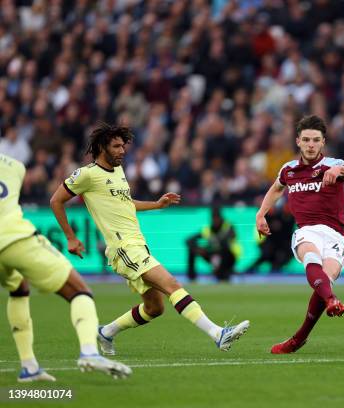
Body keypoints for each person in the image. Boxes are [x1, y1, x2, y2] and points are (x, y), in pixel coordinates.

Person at [49, 122, 249, 356]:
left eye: (123, 146)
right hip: (123, 248)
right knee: (172, 284)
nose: (122, 151)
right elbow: (56, 200)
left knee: (154, 308)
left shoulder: (118, 171)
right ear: (102, 147)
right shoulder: (87, 174)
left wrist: (157, 204)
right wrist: (71, 238)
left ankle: (106, 332)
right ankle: (217, 334)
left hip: (137, 245)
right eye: (116, 146)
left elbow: (126, 204)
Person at [0, 153, 131, 381]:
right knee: (79, 290)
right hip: (13, 238)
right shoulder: (15, 166)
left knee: (19, 288)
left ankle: (29, 367)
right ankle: (90, 352)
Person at [256, 115, 344, 354]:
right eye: (306, 140)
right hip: (307, 230)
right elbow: (276, 188)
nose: (311, 144)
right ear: (298, 142)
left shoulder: (332, 164)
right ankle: (332, 301)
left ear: (323, 142)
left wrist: (340, 168)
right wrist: (260, 214)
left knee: (323, 282)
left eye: (315, 140)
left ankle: (299, 338)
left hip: (337, 236)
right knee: (310, 256)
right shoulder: (289, 169)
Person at [186, 206, 240, 282]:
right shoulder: (208, 229)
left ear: (221, 218)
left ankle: (223, 273)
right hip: (213, 254)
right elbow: (189, 240)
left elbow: (224, 243)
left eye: (217, 218)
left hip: (230, 257)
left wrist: (207, 248)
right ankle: (191, 277)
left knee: (224, 249)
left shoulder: (229, 227)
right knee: (192, 249)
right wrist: (197, 249)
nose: (215, 221)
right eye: (213, 218)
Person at [246, 199, 295, 274]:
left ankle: (276, 268)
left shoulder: (288, 219)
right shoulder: (268, 217)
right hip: (270, 243)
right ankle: (252, 269)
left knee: (283, 255)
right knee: (266, 254)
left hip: (282, 245)